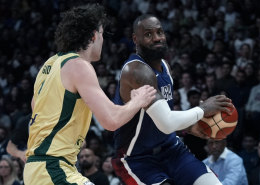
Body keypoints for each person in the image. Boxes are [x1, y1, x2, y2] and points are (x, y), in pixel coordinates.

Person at [23, 4, 156, 185]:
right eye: (102, 34)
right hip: (52, 167)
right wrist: (138, 100)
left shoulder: (49, 64)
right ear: (94, 35)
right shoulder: (79, 65)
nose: (103, 40)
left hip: (36, 168)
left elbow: (36, 108)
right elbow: (111, 120)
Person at [112, 14, 233, 185]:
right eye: (148, 34)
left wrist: (188, 127)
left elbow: (162, 115)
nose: (156, 38)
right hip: (137, 159)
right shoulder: (136, 71)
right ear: (135, 39)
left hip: (172, 150)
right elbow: (166, 123)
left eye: (160, 32)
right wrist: (203, 109)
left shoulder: (165, 67)